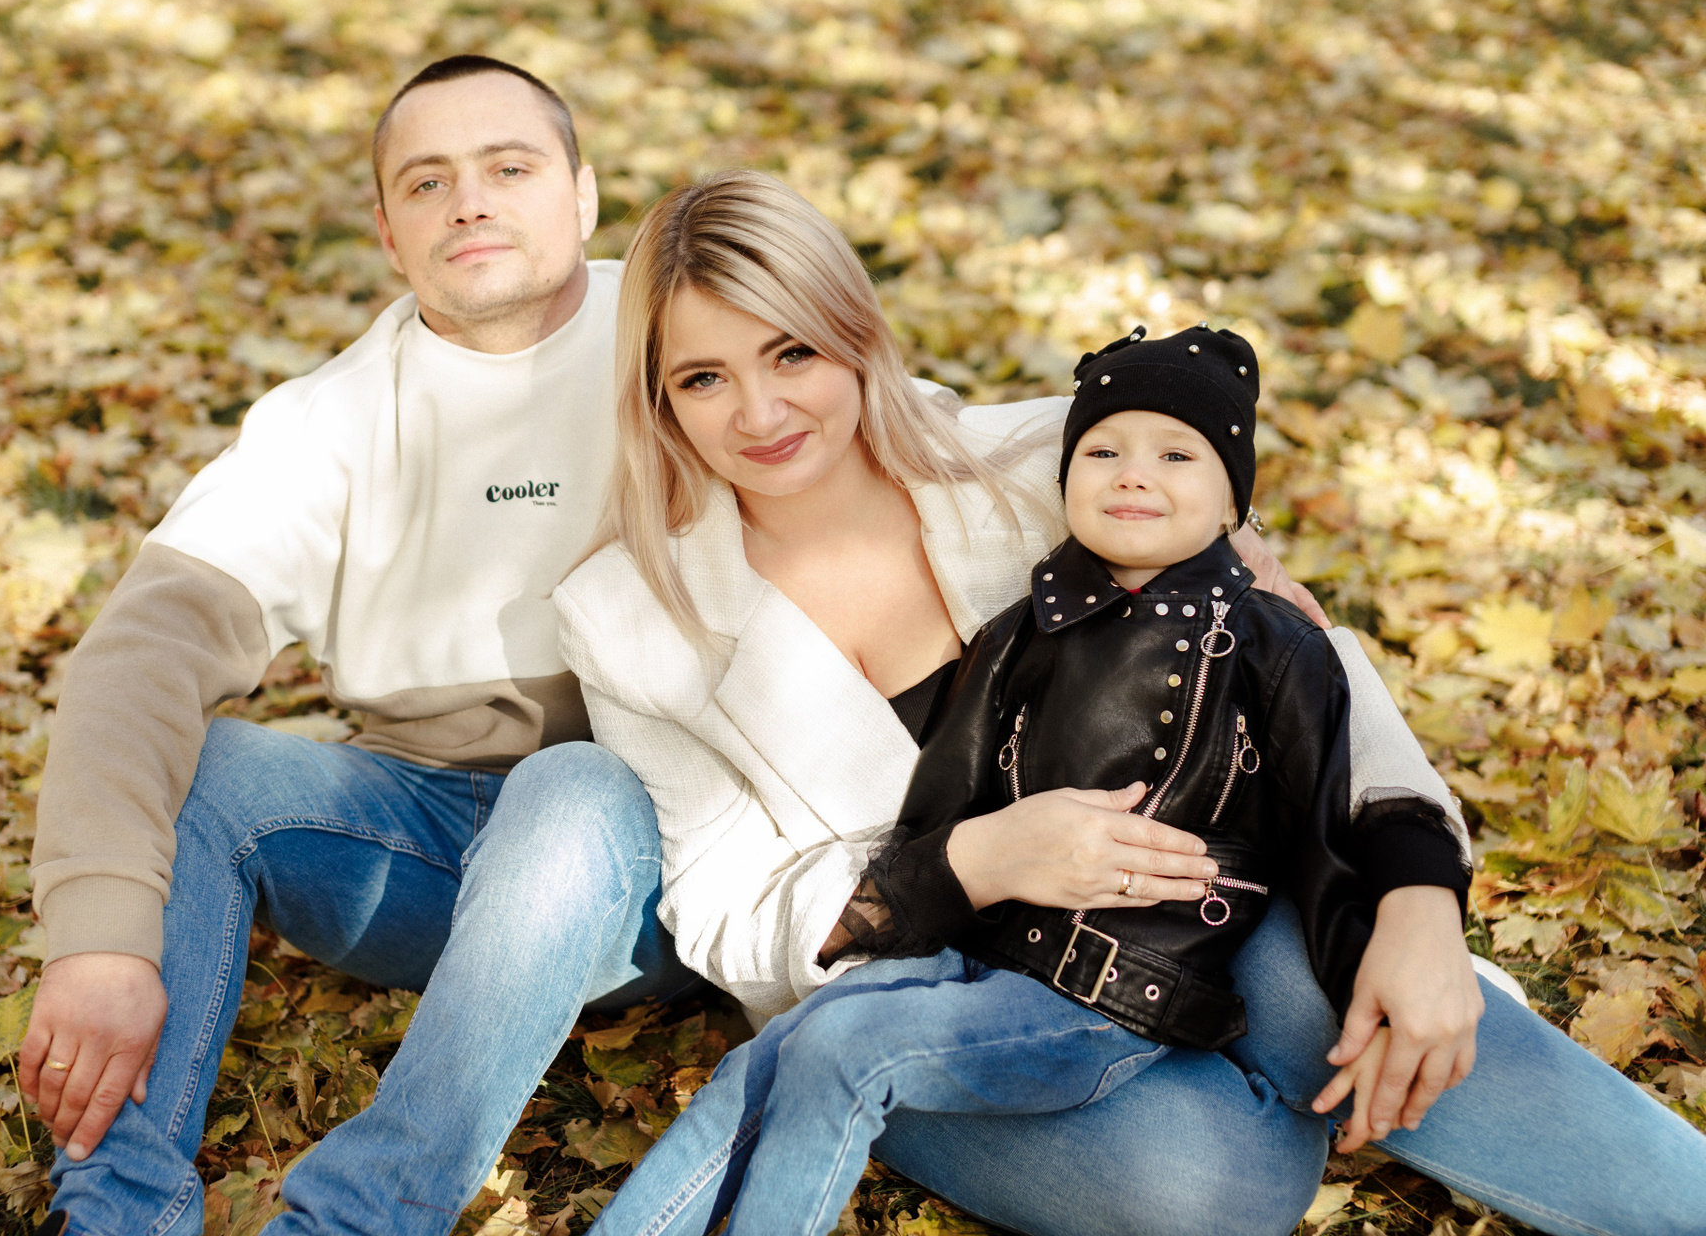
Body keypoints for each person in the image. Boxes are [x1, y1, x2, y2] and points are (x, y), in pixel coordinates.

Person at [555, 170, 1706, 1236]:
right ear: (658, 399)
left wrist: (1420, 898)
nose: (760, 411)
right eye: (703, 377)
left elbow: (1307, 668)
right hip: (921, 996)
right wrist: (980, 857)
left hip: (1185, 917)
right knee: (1225, 1182)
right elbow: (727, 917)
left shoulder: (1058, 464)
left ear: (854, 334)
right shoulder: (630, 618)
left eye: (792, 351)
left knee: (1342, 973)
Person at [19, 55, 705, 1236]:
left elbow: (907, 441)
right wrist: (99, 939)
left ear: (585, 195)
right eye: (428, 182)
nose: (469, 202)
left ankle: (352, 1220)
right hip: (418, 846)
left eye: (509, 168)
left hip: (658, 857)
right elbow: (144, 651)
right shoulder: (327, 420)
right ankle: (117, 1214)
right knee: (205, 769)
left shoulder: (686, 337)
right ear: (389, 230)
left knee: (574, 782)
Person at [583, 323, 1465, 1235]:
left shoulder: (1268, 638)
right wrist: (953, 878)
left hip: (1122, 973)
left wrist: (1405, 924)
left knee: (841, 1045)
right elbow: (942, 803)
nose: (1133, 475)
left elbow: (1327, 817)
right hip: (982, 944)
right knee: (797, 1048)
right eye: (1105, 453)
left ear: (1234, 505)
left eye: (1175, 456)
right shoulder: (1028, 624)